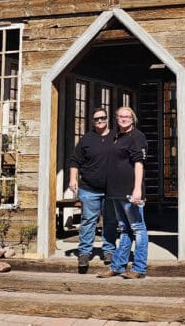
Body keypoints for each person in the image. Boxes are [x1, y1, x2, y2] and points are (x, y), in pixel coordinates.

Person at [97, 105, 149, 279]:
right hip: (115, 191)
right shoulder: (116, 137)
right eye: (120, 116)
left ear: (132, 118)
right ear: (116, 118)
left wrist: (137, 189)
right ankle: (118, 266)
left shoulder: (137, 137)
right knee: (124, 229)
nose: (124, 119)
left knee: (138, 229)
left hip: (130, 190)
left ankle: (139, 268)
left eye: (127, 116)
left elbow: (139, 163)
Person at [67, 107, 117, 273]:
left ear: (107, 119)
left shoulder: (116, 136)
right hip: (89, 188)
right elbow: (75, 160)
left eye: (102, 118)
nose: (100, 121)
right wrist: (73, 179)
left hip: (111, 189)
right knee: (89, 220)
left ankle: (109, 251)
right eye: (96, 119)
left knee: (110, 220)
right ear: (92, 121)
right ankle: (84, 253)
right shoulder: (87, 139)